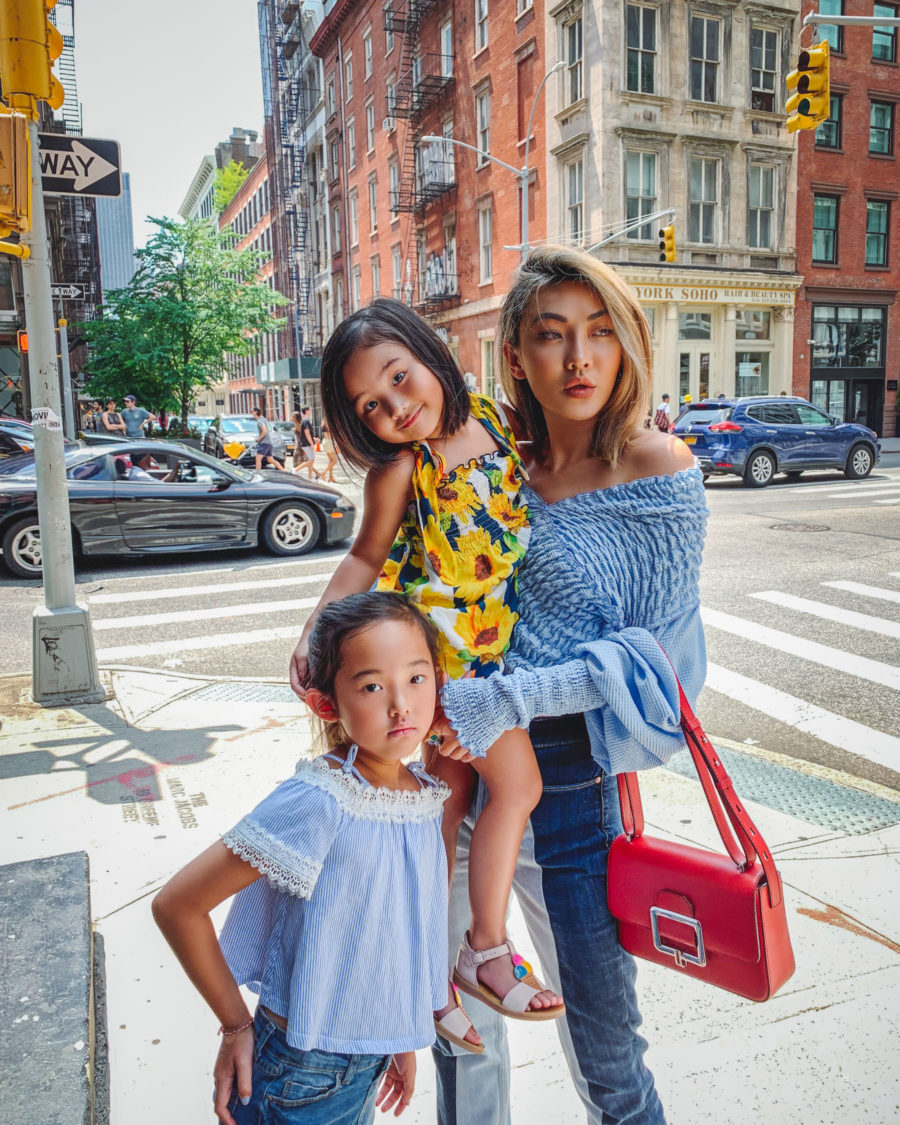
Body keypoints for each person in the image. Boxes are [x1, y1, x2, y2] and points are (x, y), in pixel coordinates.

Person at [430, 245, 707, 1124]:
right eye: (552, 336)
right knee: (461, 1031)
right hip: (450, 777)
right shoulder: (495, 464)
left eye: (599, 334)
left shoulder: (658, 472)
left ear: (625, 347)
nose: (579, 359)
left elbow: (655, 668)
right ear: (516, 353)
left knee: (606, 1055)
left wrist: (507, 697)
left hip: (569, 786)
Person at [289, 297, 564, 1054]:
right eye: (371, 406)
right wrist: (315, 633)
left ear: (428, 351)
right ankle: (482, 949)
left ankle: (430, 980)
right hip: (443, 676)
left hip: (493, 661)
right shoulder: (405, 470)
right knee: (517, 788)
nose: (396, 407)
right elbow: (362, 559)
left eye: (401, 378)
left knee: (447, 816)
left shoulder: (506, 428)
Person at [153, 592, 449, 1125]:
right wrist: (235, 1025)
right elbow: (177, 906)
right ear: (326, 704)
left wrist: (401, 1034)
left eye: (417, 677)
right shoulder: (319, 800)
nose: (401, 705)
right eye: (372, 686)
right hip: (300, 1070)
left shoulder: (422, 793)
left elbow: (398, 931)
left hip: (368, 1058)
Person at [252, 406, 287, 471]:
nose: (252, 413)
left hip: (264, 442)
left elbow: (264, 431)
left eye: (252, 411)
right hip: (269, 442)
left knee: (258, 458)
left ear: (256, 412)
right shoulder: (263, 419)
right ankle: (283, 470)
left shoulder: (260, 421)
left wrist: (258, 438)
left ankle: (257, 473)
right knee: (270, 459)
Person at [320, 417, 339, 482]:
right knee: (335, 461)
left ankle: (331, 477)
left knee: (331, 460)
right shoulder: (328, 422)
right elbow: (332, 434)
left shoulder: (323, 421)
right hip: (329, 442)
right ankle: (324, 472)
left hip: (325, 441)